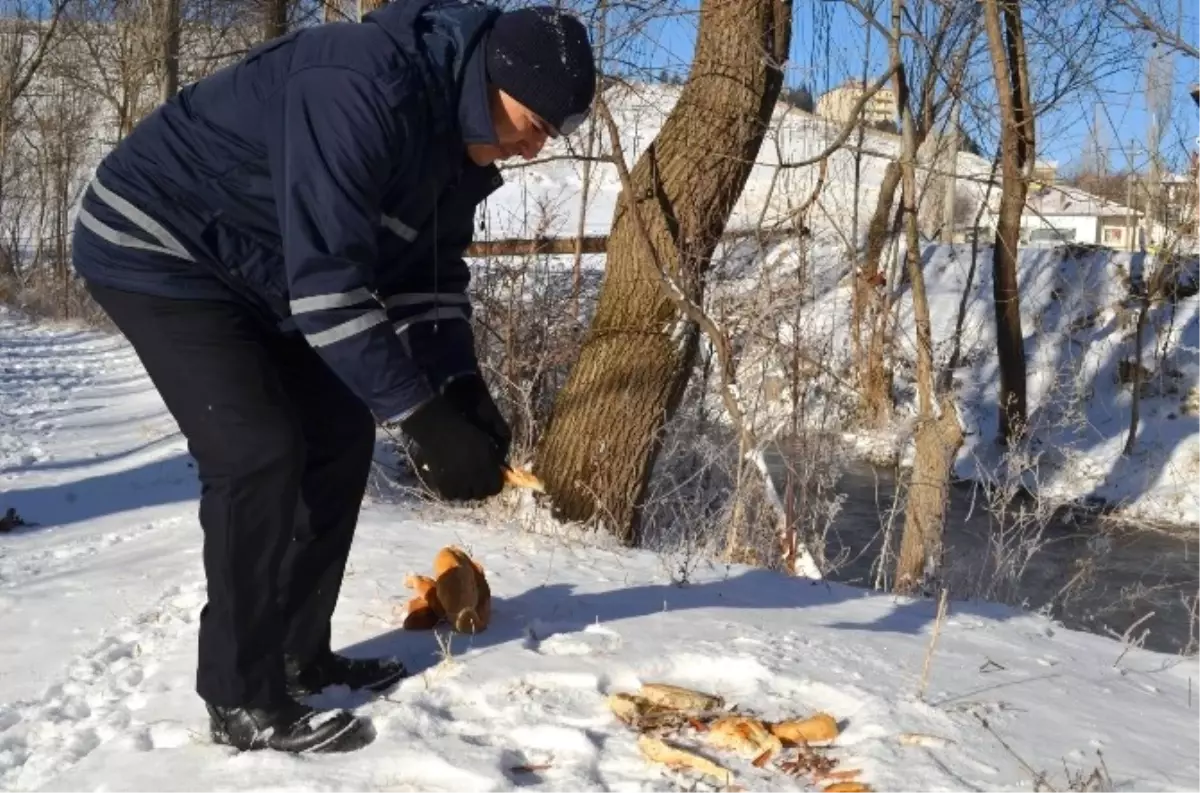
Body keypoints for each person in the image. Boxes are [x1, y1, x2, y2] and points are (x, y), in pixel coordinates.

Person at [69, 0, 596, 755]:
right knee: (255, 450)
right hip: (158, 241)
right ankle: (242, 696)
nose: (537, 147)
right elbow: (331, 291)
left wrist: (460, 388)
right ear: (495, 78)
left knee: (341, 430)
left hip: (263, 265)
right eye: (538, 123)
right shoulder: (361, 87)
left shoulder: (460, 146)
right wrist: (420, 417)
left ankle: (297, 655)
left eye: (557, 133)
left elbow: (428, 281)